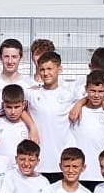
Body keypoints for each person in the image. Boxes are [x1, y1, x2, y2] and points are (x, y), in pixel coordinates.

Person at [26, 51, 76, 184]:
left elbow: (89, 100)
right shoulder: (31, 93)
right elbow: (18, 109)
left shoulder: (69, 95)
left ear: (59, 69)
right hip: (38, 162)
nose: (45, 73)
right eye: (42, 69)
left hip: (61, 161)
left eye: (49, 69)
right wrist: (32, 127)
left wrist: (81, 103)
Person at [69, 71, 104, 191]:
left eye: (100, 91)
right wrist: (81, 102)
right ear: (86, 89)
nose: (96, 95)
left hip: (102, 173)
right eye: (92, 91)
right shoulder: (75, 110)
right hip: (79, 173)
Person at [0, 84, 32, 170]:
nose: (13, 111)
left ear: (23, 105)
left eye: (16, 107)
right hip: (0, 172)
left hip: (20, 173)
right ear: (3, 105)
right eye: (9, 107)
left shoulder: (29, 127)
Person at [0, 39, 36, 103]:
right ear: (0, 57)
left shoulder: (30, 85)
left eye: (14, 57)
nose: (10, 61)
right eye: (6, 56)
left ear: (21, 58)